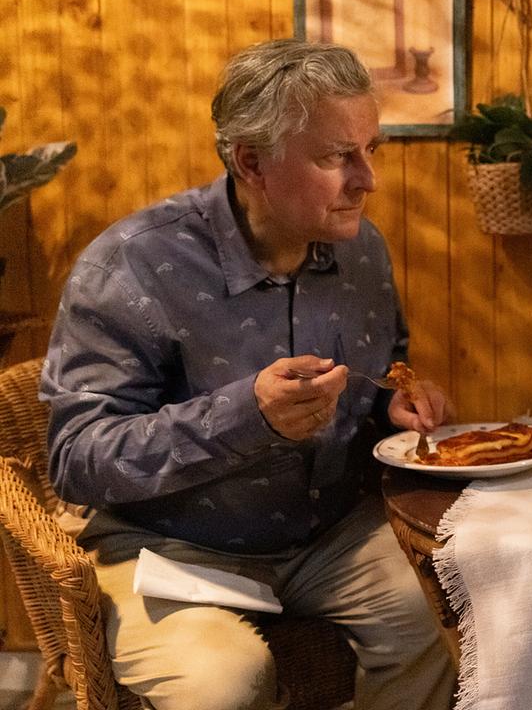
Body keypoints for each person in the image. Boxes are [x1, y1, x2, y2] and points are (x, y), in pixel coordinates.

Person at [39, 39, 457, 710]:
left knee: (453, 612)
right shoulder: (131, 264)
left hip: (330, 535)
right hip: (168, 548)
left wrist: (396, 406)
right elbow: (77, 460)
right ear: (252, 163)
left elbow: (379, 377)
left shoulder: (362, 251)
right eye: (335, 157)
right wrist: (245, 418)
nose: (368, 180)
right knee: (220, 682)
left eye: (371, 149)